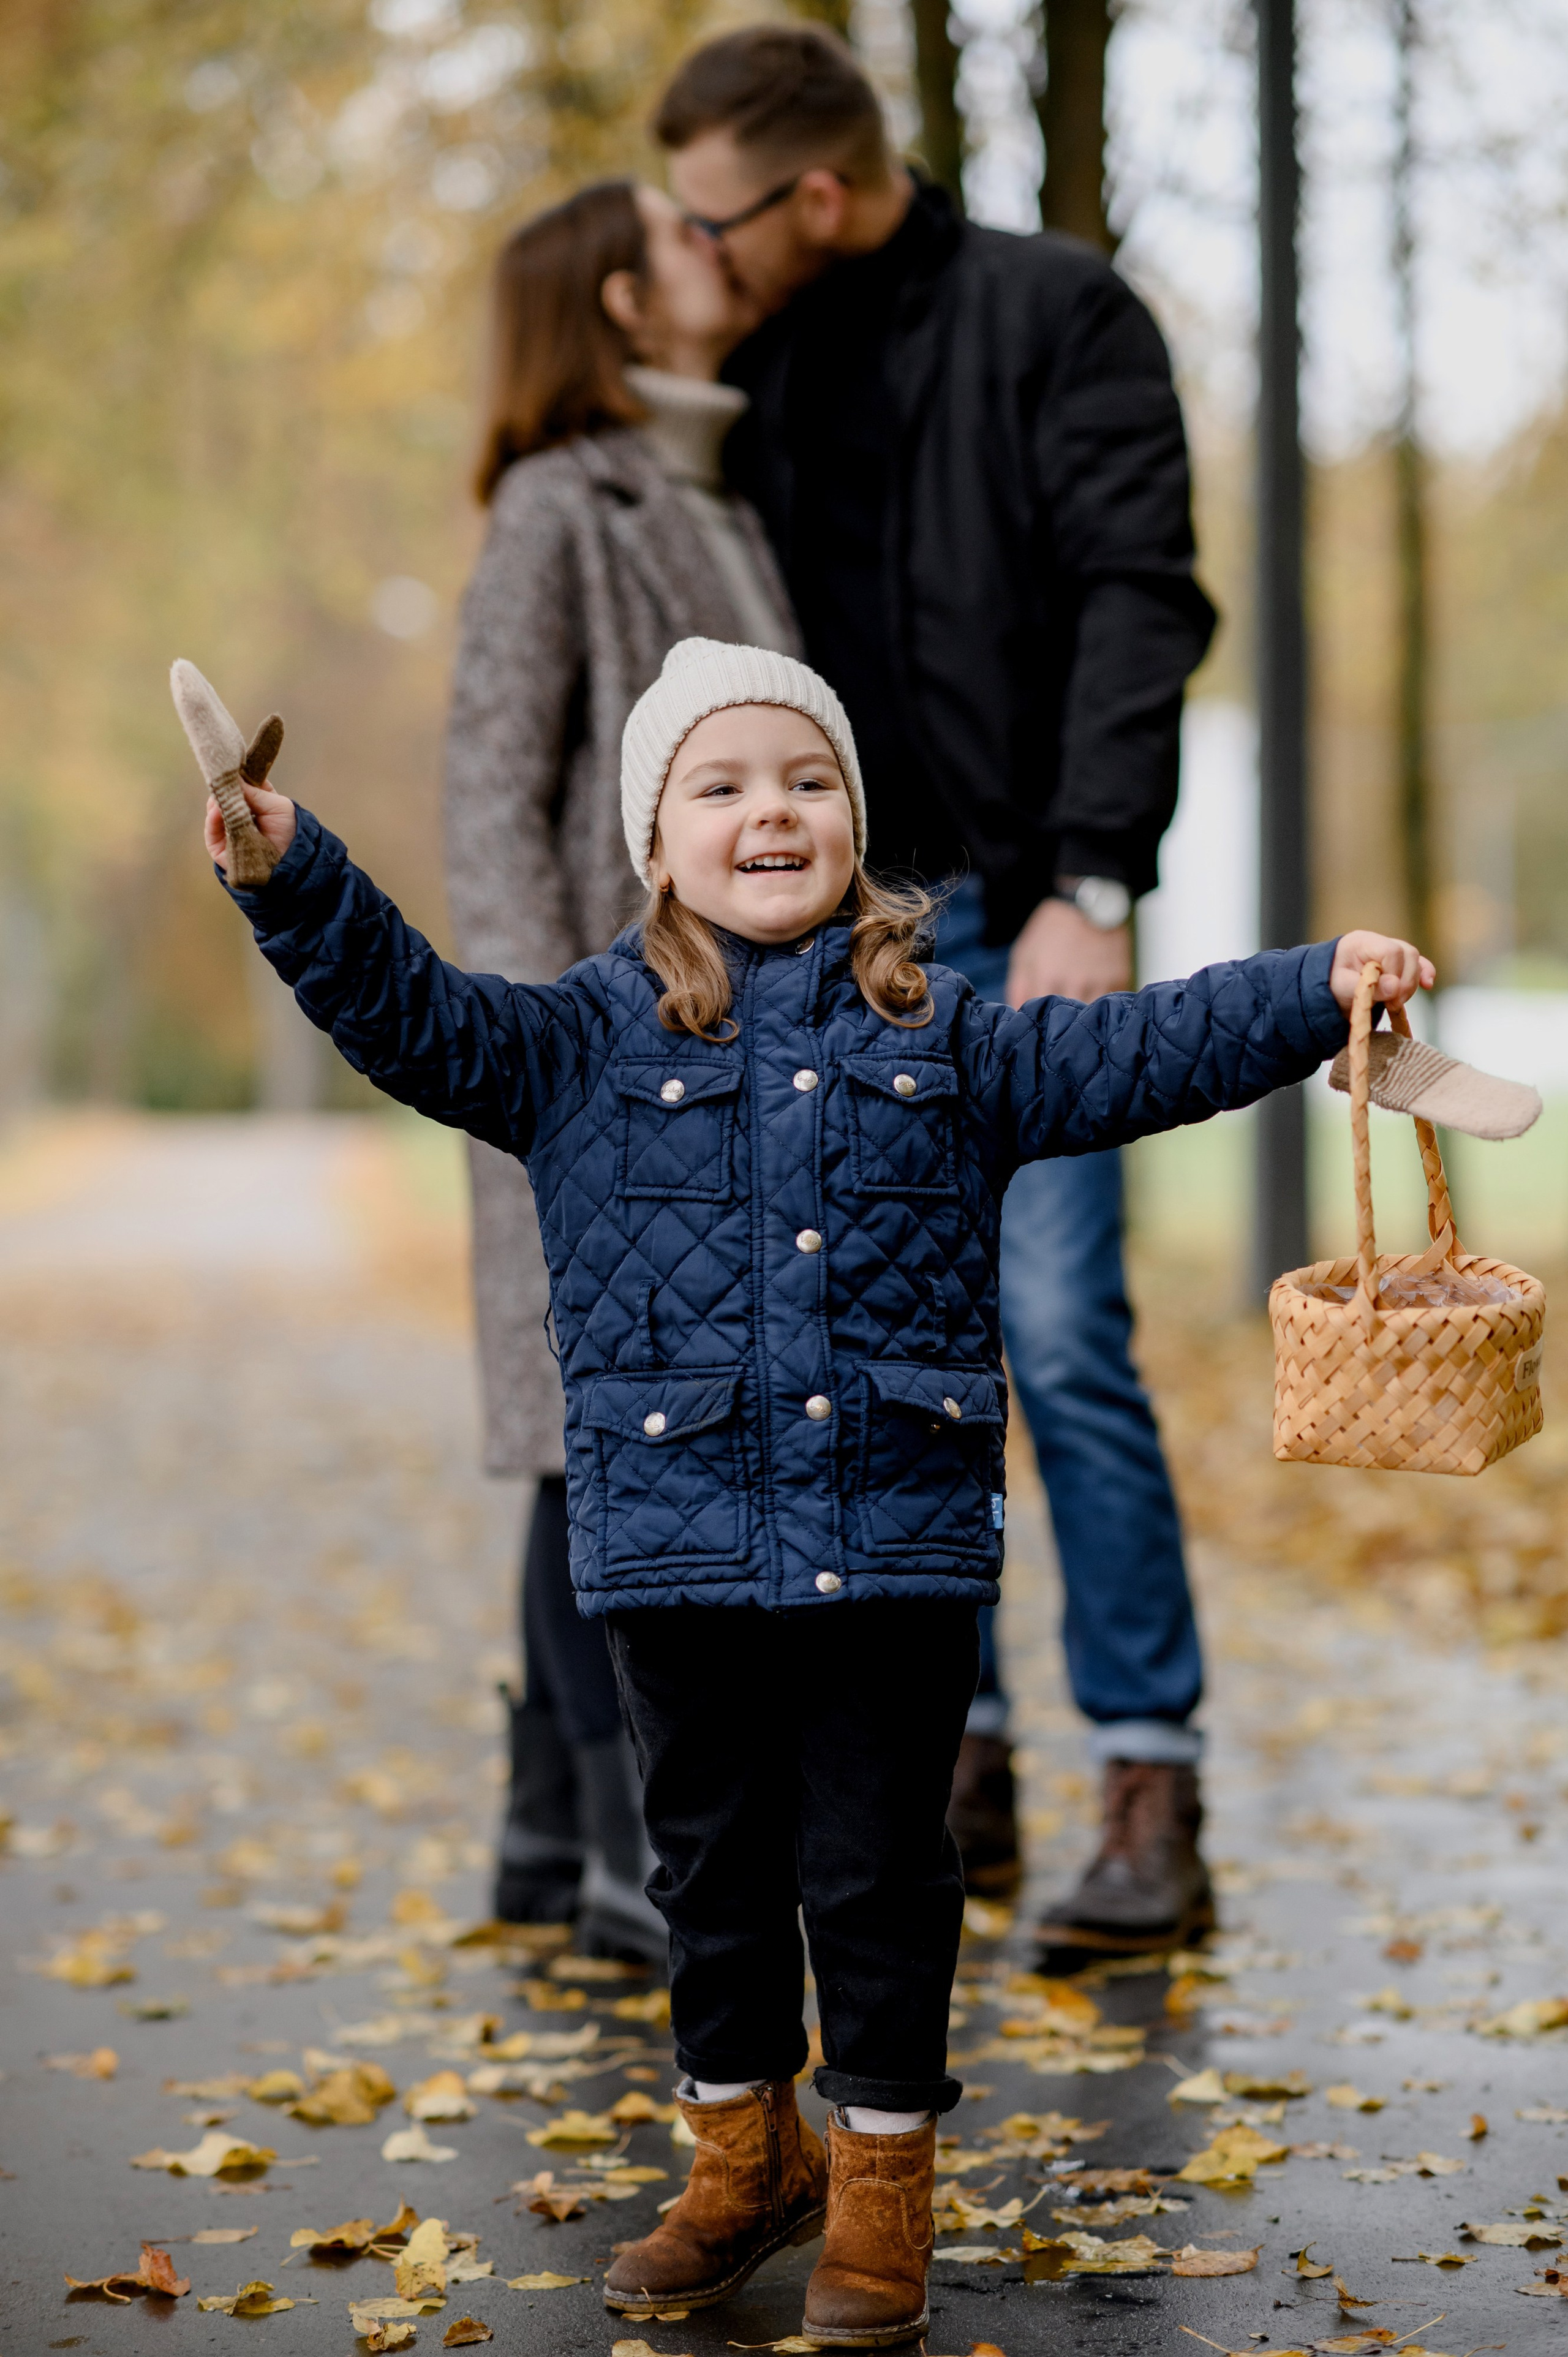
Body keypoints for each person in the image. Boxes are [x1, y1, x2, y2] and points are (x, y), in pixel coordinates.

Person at [206, 633, 1428, 2345]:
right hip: (671, 1540)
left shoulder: (950, 1039)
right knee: (705, 1874)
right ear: (656, 841)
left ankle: (879, 2192)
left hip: (897, 1538)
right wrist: (291, 873)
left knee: (876, 1876)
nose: (770, 809)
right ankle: (740, 2160)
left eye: (808, 780)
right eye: (722, 785)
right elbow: (408, 1009)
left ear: (854, 821)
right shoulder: (571, 1044)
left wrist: (1317, 988)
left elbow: (1140, 1049)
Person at [653, 25, 1220, 1966]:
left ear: (813, 193)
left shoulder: (1061, 315)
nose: (701, 249)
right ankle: (952, 1759)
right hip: (821, 953)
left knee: (1059, 1336)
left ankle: (1149, 1777)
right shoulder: (759, 367)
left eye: (722, 217)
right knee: (888, 1368)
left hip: (1016, 916)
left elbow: (1144, 592)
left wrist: (1091, 876)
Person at [443, 178, 797, 1957]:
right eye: (679, 233)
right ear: (614, 297)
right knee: (605, 1432)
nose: (713, 250)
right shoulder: (554, 502)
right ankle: (606, 1838)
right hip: (604, 1040)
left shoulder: (711, 488)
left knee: (615, 1420)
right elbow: (495, 784)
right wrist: (541, 1052)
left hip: (714, 1033)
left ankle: (541, 1827)